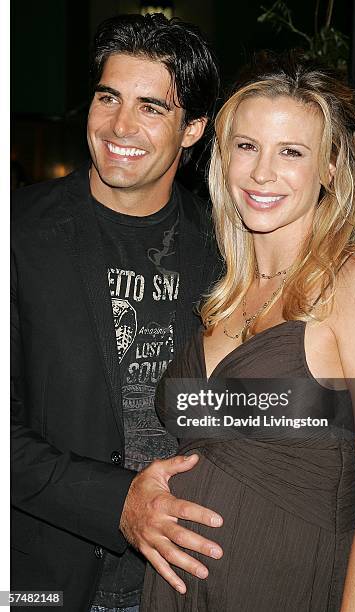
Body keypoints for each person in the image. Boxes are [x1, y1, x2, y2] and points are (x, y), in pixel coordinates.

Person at [141, 53, 355, 611]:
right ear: (223, 157)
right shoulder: (222, 295)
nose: (262, 172)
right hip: (178, 591)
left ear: (332, 167)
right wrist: (142, 488)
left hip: (293, 585)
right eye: (247, 147)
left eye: (291, 152)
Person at [11, 13, 226, 612]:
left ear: (193, 129)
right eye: (108, 97)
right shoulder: (18, 232)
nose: (120, 125)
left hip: (187, 581)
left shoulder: (227, 249)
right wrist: (116, 502)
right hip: (40, 583)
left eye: (152, 107)